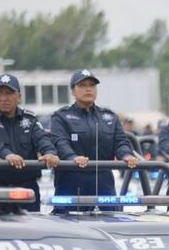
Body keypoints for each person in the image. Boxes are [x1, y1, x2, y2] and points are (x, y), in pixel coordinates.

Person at [49, 69, 139, 209]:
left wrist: (127, 155)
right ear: (73, 91)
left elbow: (121, 142)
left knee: (110, 222)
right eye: (83, 85)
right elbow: (60, 142)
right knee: (68, 226)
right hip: (71, 180)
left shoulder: (109, 117)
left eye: (92, 85)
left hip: (103, 181)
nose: (88, 89)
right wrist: (72, 157)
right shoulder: (61, 117)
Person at [0, 73, 60, 211]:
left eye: (9, 93)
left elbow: (42, 138)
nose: (4, 98)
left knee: (32, 230)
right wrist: (7, 154)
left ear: (19, 96)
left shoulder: (29, 119)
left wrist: (50, 153)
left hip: (27, 190)